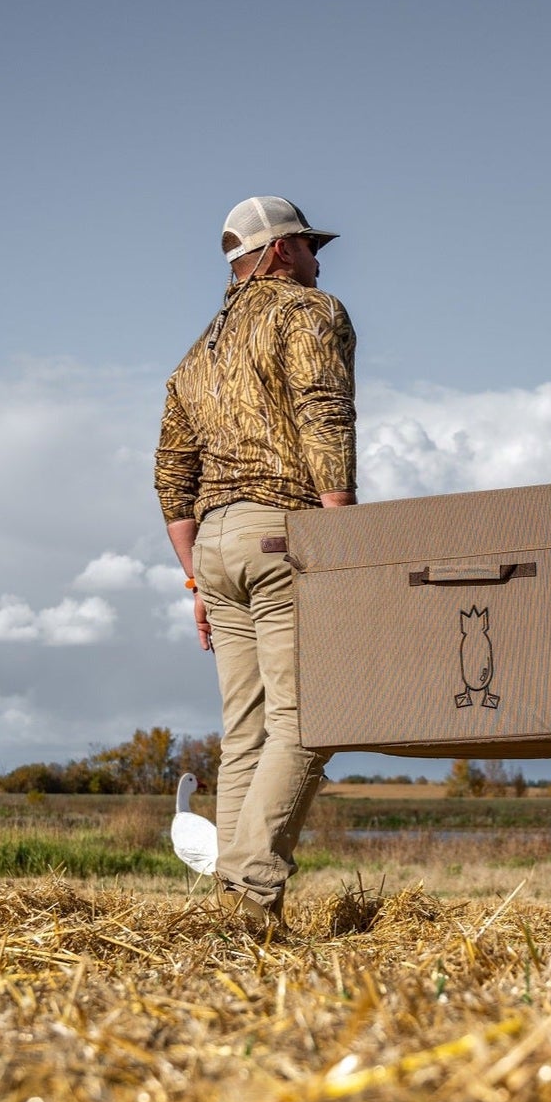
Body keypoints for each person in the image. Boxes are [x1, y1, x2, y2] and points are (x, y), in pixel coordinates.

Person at [154, 196, 357, 930]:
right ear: (276, 253)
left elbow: (171, 477)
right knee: (310, 715)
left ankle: (229, 907)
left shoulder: (195, 356)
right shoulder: (309, 312)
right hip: (286, 532)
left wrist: (197, 579)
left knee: (245, 730)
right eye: (305, 245)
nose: (317, 258)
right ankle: (252, 887)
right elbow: (323, 413)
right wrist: (343, 542)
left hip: (214, 547)